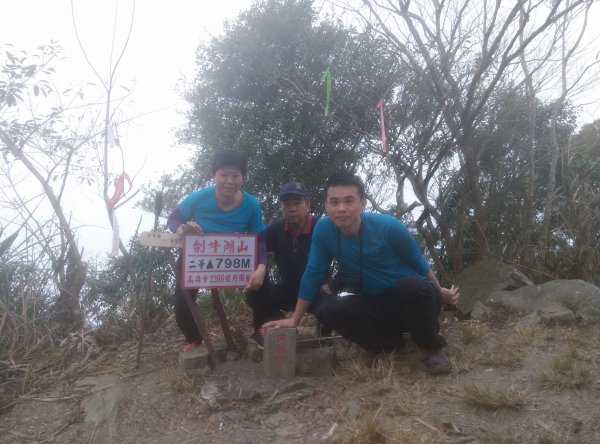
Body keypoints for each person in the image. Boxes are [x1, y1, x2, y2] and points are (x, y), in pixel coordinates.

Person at [264, 173, 459, 374]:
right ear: (326, 206)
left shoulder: (388, 226)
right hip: (377, 303)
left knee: (409, 286)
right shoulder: (324, 230)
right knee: (332, 310)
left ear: (363, 203)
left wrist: (440, 292)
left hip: (416, 300)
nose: (341, 208)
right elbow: (313, 273)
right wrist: (294, 320)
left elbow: (420, 265)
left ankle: (432, 350)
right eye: (334, 202)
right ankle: (391, 345)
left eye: (349, 201)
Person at [167, 150, 267, 351]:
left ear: (243, 177)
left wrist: (262, 266)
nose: (230, 180)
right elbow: (173, 219)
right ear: (214, 175)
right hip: (198, 256)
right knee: (182, 294)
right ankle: (193, 337)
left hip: (234, 257)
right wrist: (181, 229)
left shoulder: (251, 204)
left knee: (261, 283)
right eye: (224, 175)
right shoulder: (198, 198)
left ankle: (261, 329)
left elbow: (260, 239)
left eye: (236, 175)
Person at [245, 181, 332, 349]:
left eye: (297, 203)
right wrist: (260, 268)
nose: (292, 208)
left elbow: (344, 253)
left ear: (307, 205)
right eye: (287, 204)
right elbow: (256, 246)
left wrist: (333, 283)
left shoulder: (321, 227)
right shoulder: (277, 228)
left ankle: (325, 331)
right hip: (288, 290)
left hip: (317, 292)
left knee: (331, 310)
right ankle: (268, 327)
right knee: (254, 292)